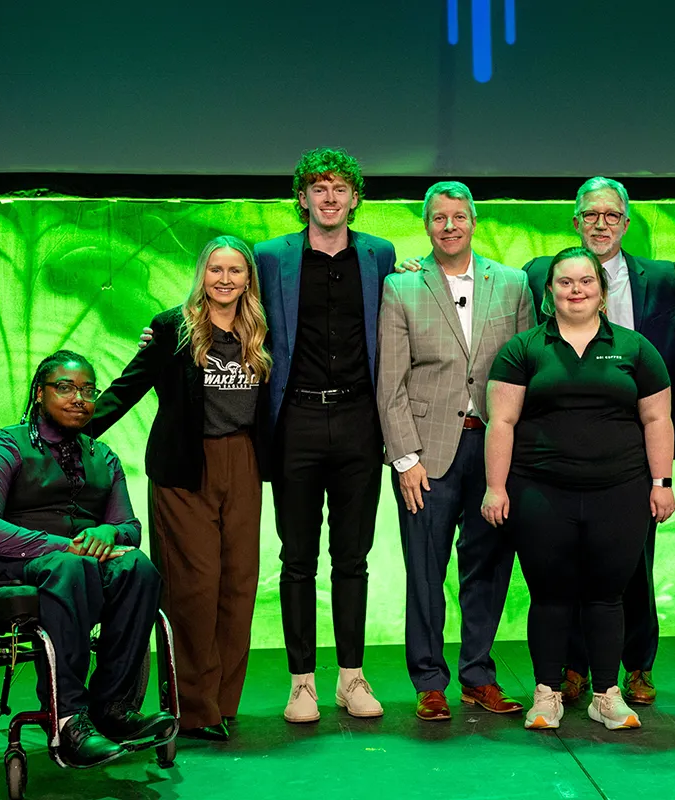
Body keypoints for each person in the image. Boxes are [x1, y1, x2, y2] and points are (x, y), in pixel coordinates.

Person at [482, 246, 675, 731]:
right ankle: (546, 693)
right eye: (565, 282)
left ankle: (606, 694)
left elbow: (657, 418)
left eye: (586, 281)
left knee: (607, 595)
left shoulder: (634, 348)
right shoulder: (523, 349)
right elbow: (501, 421)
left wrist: (662, 482)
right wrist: (495, 488)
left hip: (621, 492)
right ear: (550, 291)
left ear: (602, 290)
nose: (576, 290)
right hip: (541, 493)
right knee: (550, 595)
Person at [521, 177, 675, 708]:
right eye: (590, 214)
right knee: (569, 564)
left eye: (611, 215)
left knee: (633, 562)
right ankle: (574, 668)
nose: (601, 223)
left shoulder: (665, 279)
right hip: (565, 443)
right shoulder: (537, 273)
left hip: (640, 439)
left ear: (626, 222)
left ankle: (638, 664)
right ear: (575, 222)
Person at [0, 351, 174, 768]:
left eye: (89, 391)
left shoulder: (103, 457)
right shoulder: (6, 446)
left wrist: (110, 532)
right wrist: (59, 545)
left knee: (137, 567)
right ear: (40, 393)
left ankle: (112, 707)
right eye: (66, 388)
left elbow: (130, 529)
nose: (79, 399)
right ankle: (68, 719)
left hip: (73, 568)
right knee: (70, 565)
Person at [87, 236, 269, 740]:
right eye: (216, 270)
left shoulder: (264, 330)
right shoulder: (173, 327)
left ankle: (223, 703)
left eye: (236, 270)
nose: (226, 279)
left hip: (245, 462)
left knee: (238, 585)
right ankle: (194, 709)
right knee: (193, 589)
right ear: (201, 275)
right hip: (186, 468)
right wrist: (67, 432)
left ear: (249, 278)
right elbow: (127, 388)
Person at [376, 181, 535, 721]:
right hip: (427, 455)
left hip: (492, 450)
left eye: (458, 216)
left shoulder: (512, 285)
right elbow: (390, 383)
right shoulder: (401, 288)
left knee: (487, 567)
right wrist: (405, 459)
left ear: (473, 222)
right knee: (424, 569)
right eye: (439, 217)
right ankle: (428, 680)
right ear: (426, 224)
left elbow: (525, 374)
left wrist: (514, 462)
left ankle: (477, 676)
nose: (449, 226)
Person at [254, 148, 396, 722]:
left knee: (353, 557)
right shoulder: (270, 257)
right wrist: (162, 332)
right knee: (296, 557)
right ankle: (302, 684)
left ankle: (352, 679)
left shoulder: (381, 256)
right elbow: (223, 298)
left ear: (355, 198)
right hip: (297, 421)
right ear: (303, 198)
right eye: (319, 187)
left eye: (340, 187)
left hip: (362, 419)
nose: (330, 196)